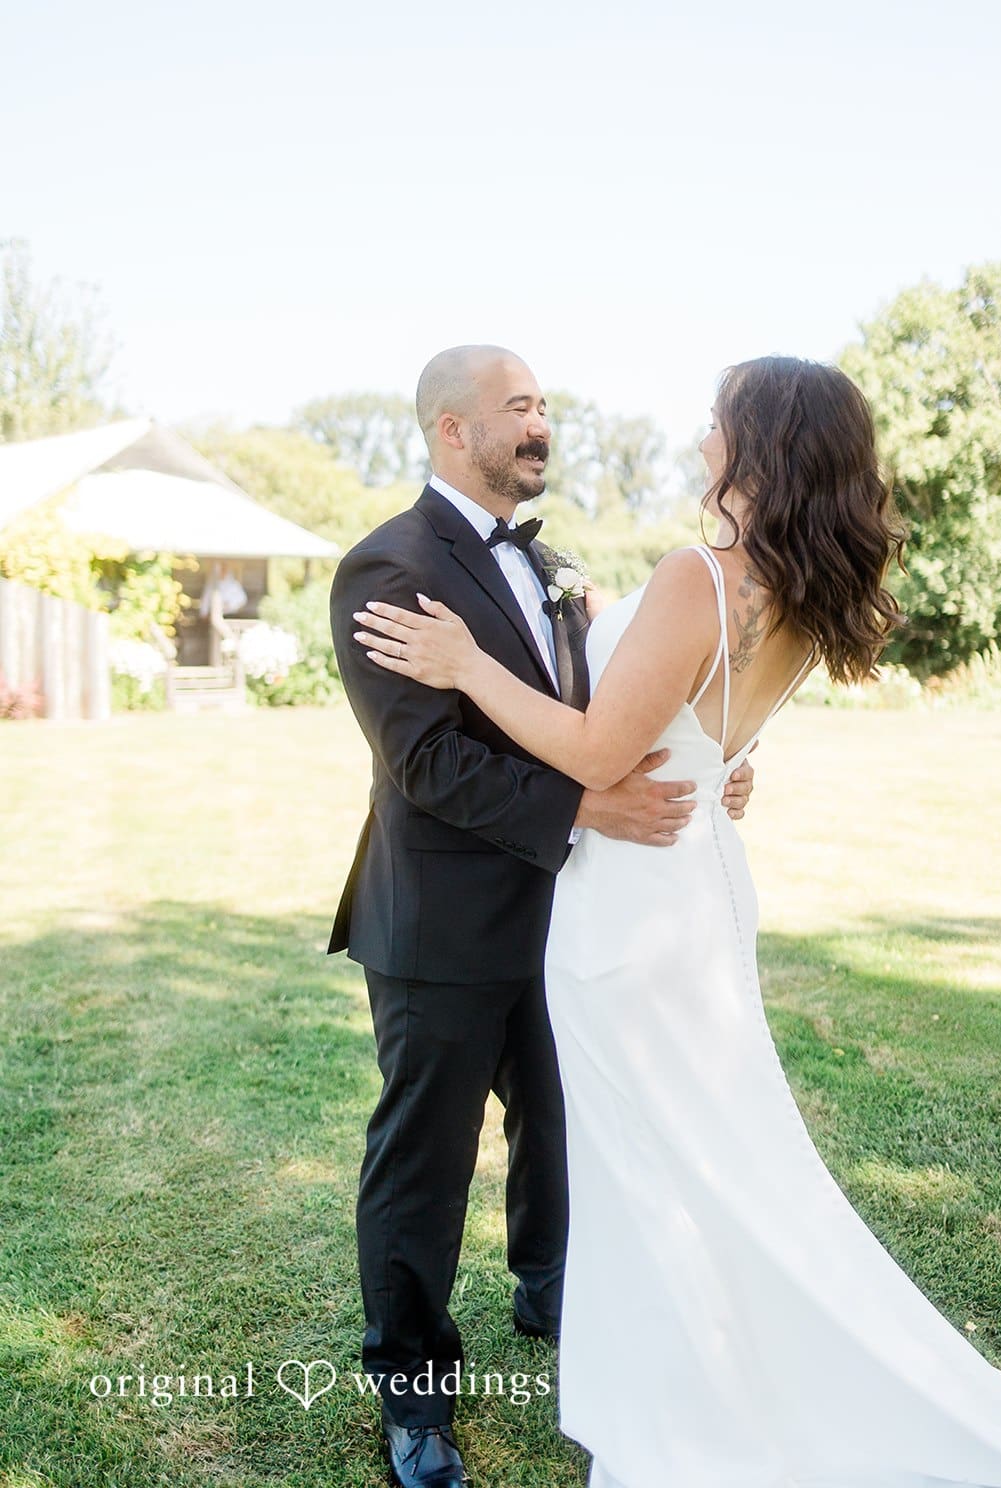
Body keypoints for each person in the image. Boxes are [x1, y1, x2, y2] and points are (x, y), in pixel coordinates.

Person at [354, 354, 1001, 1488]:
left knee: (660, 1154)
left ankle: (691, 1386)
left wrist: (463, 665)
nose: (699, 435)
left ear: (759, 444)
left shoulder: (701, 571)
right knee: (708, 1148)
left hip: (630, 907)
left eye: (717, 420)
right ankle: (686, 1348)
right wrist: (720, 761)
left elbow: (598, 748)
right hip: (687, 881)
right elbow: (704, 717)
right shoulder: (786, 580)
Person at [326, 344, 755, 1488]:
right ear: (450, 428)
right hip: (440, 924)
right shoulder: (386, 564)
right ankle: (412, 1390)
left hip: (566, 918)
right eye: (518, 407)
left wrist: (707, 769)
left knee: (560, 1123)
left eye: (544, 406)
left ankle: (552, 1293)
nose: (541, 423)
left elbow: (600, 706)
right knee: (422, 1159)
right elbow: (424, 762)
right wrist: (586, 808)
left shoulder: (554, 564)